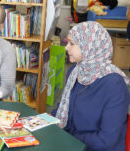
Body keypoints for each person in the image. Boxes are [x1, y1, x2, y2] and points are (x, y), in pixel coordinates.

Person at [54, 21, 130, 151]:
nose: (66, 48)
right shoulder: (76, 71)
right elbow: (63, 108)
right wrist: (45, 122)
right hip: (71, 143)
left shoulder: (115, 85)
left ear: (89, 47)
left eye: (72, 43)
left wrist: (69, 136)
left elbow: (107, 141)